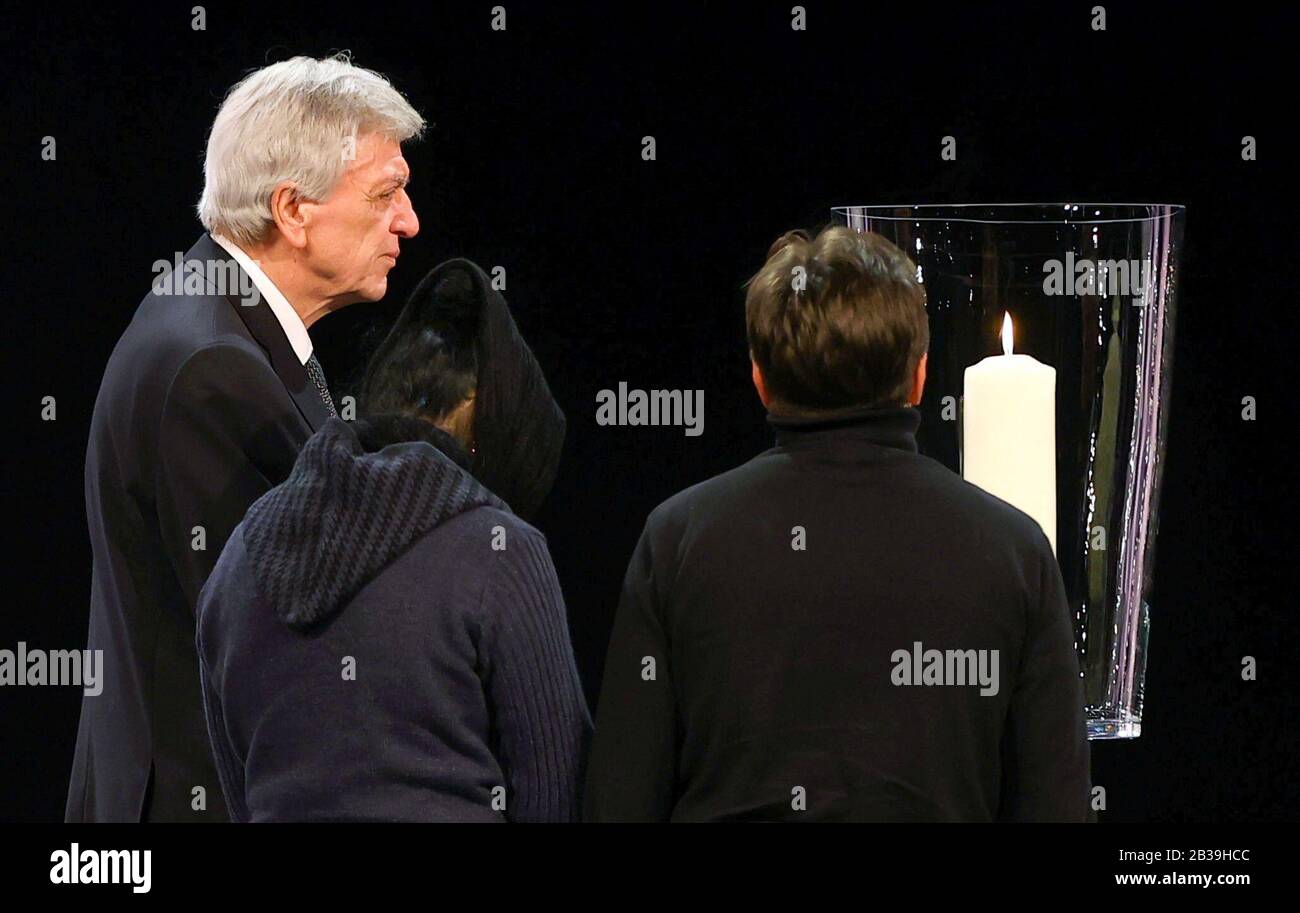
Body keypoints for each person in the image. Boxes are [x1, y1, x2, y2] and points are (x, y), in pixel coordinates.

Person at [584, 226, 1091, 822]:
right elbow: (1057, 807)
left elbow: (618, 800)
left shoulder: (676, 538)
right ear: (920, 376)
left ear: (759, 380)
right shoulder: (1015, 550)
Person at [68, 53, 424, 822]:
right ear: (293, 210)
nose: (409, 220)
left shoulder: (217, 319)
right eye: (386, 193)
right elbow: (272, 650)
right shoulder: (212, 366)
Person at [195, 258, 590, 822]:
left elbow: (238, 794)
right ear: (485, 447)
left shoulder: (236, 563)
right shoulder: (501, 552)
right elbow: (554, 794)